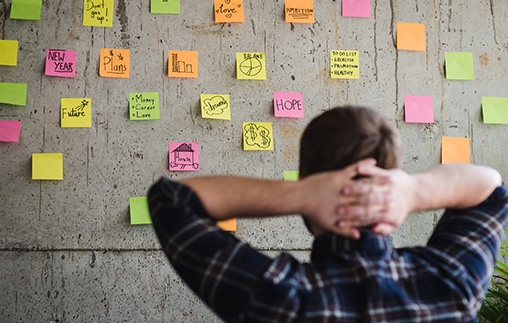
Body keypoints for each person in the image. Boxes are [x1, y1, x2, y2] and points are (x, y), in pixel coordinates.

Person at [148, 106, 508, 322]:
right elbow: (491, 190)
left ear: (307, 184)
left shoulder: (280, 299)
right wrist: (413, 191)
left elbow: (171, 200)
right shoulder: (451, 281)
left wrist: (299, 194)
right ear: (391, 177)